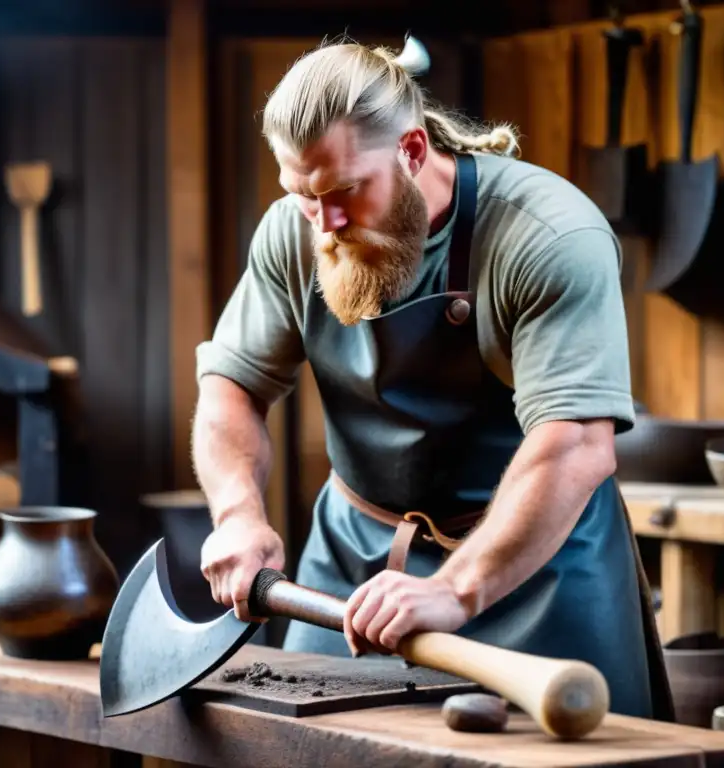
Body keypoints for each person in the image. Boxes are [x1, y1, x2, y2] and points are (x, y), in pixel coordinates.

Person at [190, 36, 673, 721]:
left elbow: (575, 444)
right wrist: (237, 515)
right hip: (354, 562)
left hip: (535, 568)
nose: (324, 224)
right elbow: (231, 386)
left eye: (345, 192)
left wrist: (456, 588)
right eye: (301, 195)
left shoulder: (546, 236)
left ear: (412, 152)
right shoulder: (298, 232)